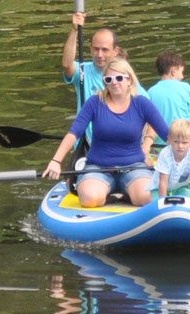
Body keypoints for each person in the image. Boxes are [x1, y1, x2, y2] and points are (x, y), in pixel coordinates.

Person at [43, 58, 170, 207]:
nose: (114, 82)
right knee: (89, 199)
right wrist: (56, 161)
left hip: (134, 167)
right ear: (105, 83)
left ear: (129, 80)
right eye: (109, 79)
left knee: (146, 197)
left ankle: (125, 195)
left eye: (119, 78)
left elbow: (167, 135)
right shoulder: (95, 102)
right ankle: (108, 196)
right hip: (98, 167)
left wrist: (189, 150)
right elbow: (74, 133)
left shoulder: (142, 103)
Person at [62, 12, 123, 108]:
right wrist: (74, 30)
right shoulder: (82, 70)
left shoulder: (124, 76)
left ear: (115, 51)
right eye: (96, 49)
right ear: (90, 48)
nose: (99, 55)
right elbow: (67, 65)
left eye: (104, 50)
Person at [146, 51, 190, 145]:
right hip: (183, 141)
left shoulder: (150, 92)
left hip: (159, 144)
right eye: (181, 72)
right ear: (173, 71)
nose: (182, 77)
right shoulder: (186, 88)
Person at [148, 119, 190, 199]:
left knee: (188, 194)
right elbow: (163, 182)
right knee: (156, 201)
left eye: (184, 143)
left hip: (179, 188)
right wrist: (163, 202)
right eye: (176, 142)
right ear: (169, 140)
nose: (180, 146)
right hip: (159, 189)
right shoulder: (165, 154)